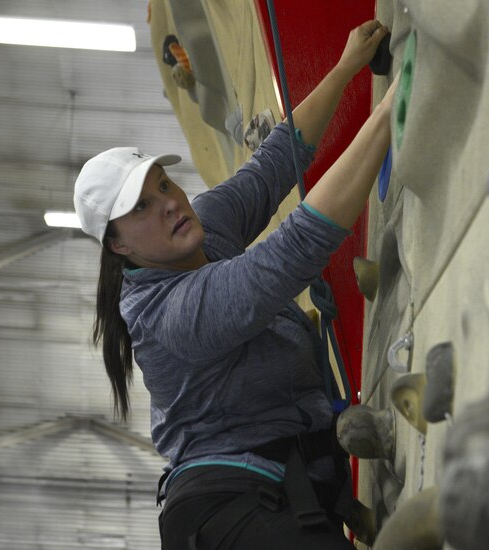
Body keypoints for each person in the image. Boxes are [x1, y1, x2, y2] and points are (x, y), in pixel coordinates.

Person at [73, 19, 394, 549]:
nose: (170, 203)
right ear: (119, 247)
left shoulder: (197, 228)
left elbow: (273, 165)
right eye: (142, 207)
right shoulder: (172, 316)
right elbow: (295, 249)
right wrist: (391, 110)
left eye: (164, 185)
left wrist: (345, 67)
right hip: (227, 515)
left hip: (276, 487)